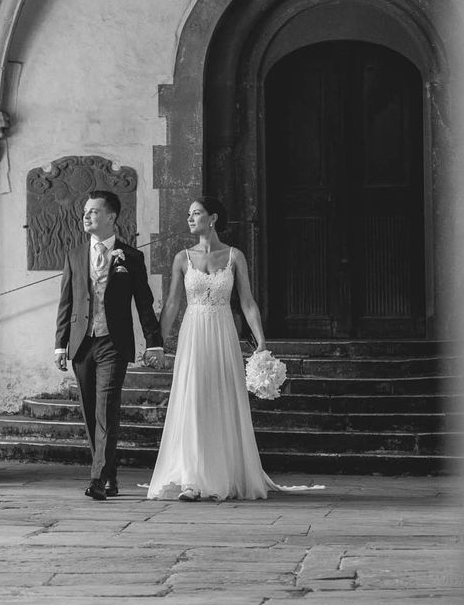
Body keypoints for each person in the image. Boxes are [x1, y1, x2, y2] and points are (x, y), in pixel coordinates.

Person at [145, 196, 310, 501]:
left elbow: (246, 301)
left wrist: (260, 340)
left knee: (221, 397)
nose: (190, 219)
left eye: (196, 214)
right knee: (193, 398)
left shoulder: (235, 256)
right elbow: (171, 304)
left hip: (222, 333)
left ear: (213, 218)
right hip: (193, 333)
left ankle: (224, 473)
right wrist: (156, 343)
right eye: (189, 215)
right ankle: (192, 480)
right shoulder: (182, 258)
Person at [54, 190, 164, 500]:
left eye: (93, 211)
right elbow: (66, 303)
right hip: (81, 344)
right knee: (90, 413)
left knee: (106, 408)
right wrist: (60, 344)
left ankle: (98, 478)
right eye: (85, 211)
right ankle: (110, 474)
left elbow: (144, 302)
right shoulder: (74, 255)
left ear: (111, 217)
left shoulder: (131, 257)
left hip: (113, 343)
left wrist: (154, 342)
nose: (86, 216)